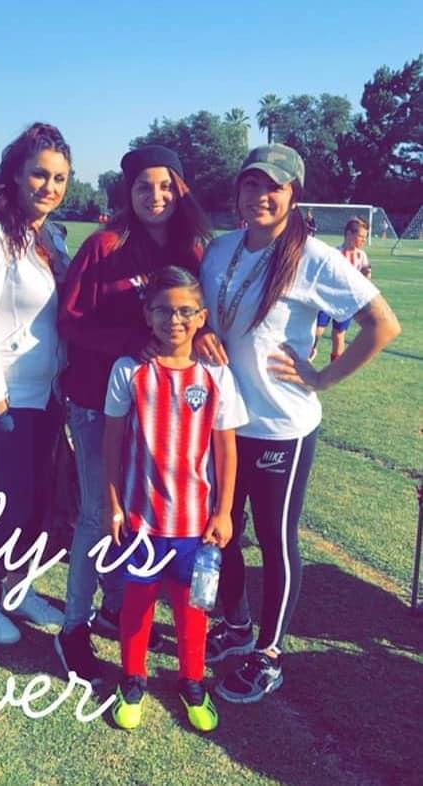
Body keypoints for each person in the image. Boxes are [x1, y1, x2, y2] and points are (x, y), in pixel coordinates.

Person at [199, 144, 400, 702]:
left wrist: (325, 377)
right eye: (252, 184)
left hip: (280, 426)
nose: (261, 195)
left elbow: (383, 325)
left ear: (293, 195)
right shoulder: (220, 249)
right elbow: (206, 313)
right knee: (223, 529)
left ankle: (269, 653)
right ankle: (237, 627)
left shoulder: (313, 257)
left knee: (274, 538)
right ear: (238, 190)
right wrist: (202, 333)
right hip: (225, 423)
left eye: (275, 186)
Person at [55, 144, 212, 684]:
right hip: (97, 401)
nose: (156, 196)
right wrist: (128, 343)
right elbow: (69, 321)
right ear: (129, 193)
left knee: (137, 518)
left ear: (181, 190)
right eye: (145, 186)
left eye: (166, 185)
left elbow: (196, 314)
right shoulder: (105, 245)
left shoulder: (193, 249)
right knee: (98, 515)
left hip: (160, 412)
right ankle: (73, 629)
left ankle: (114, 609)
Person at [104, 266, 247, 731]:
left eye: (186, 311)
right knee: (137, 604)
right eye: (164, 310)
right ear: (148, 315)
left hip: (194, 524)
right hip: (142, 522)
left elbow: (226, 449)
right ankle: (132, 677)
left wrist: (224, 511)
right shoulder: (129, 371)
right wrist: (112, 504)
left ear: (202, 317)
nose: (175, 320)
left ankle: (192, 681)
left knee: (192, 607)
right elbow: (111, 444)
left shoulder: (216, 375)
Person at [0, 122, 70, 645]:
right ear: (17, 176)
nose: (50, 187)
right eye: (40, 175)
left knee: (42, 502)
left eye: (60, 178)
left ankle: (16, 585)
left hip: (48, 395)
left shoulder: (51, 238)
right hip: (6, 397)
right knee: (14, 503)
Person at [311, 217, 372, 362]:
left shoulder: (361, 256)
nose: (364, 240)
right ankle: (308, 354)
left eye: (365, 237)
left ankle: (335, 368)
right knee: (317, 330)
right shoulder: (334, 253)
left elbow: (366, 279)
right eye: (361, 236)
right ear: (349, 234)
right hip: (328, 299)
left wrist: (366, 275)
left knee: (339, 334)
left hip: (346, 303)